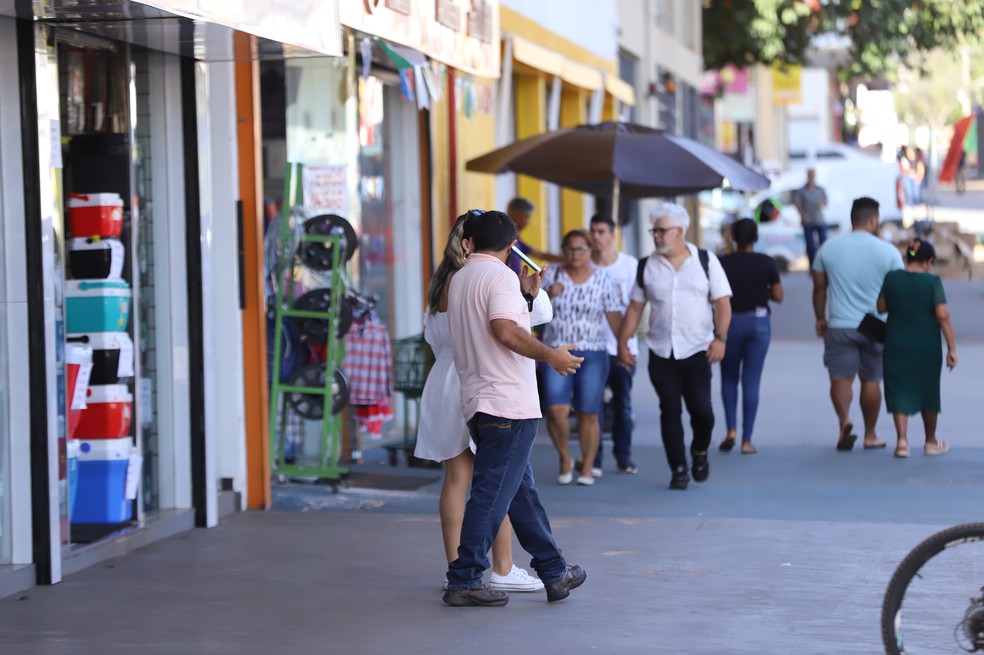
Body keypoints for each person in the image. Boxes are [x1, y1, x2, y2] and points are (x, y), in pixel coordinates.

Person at [443, 209, 585, 607]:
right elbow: (504, 330)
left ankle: (554, 571)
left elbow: (492, 322)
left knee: (521, 494)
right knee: (491, 496)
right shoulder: (500, 277)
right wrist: (551, 355)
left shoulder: (461, 278)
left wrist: (524, 294)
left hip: (481, 401)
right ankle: (464, 578)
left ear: (469, 243)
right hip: (508, 403)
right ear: (511, 246)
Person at [414, 216, 543, 594]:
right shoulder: (492, 278)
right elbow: (525, 321)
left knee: (457, 480)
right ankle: (502, 567)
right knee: (496, 481)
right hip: (481, 377)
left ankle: (455, 567)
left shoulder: (444, 282)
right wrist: (527, 294)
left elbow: (432, 335)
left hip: (443, 381)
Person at [617, 202, 732, 491]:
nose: (656, 235)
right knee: (669, 410)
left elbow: (722, 302)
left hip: (698, 350)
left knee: (702, 411)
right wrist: (623, 342)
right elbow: (635, 308)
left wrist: (720, 338)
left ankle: (699, 451)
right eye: (653, 231)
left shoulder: (705, 260)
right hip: (661, 351)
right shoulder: (646, 265)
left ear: (679, 231)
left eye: (661, 230)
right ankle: (678, 469)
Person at [812, 196, 903, 452]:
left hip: (840, 324)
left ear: (853, 219)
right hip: (877, 326)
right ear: (873, 220)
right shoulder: (889, 252)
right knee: (871, 379)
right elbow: (897, 291)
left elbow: (819, 288)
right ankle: (870, 435)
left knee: (840, 378)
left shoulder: (828, 248)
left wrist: (820, 318)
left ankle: (844, 420)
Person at [542, 229, 623, 486]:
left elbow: (613, 315)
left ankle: (587, 465)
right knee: (555, 410)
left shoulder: (603, 278)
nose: (575, 254)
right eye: (569, 248)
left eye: (580, 248)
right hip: (556, 351)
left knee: (589, 411)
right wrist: (547, 295)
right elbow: (528, 310)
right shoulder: (550, 276)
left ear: (590, 251)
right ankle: (565, 457)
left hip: (593, 353)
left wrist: (624, 347)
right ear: (563, 251)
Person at [877, 239, 957, 458]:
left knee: (898, 388)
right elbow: (943, 315)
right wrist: (951, 348)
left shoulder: (892, 278)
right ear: (929, 261)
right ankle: (930, 442)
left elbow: (881, 307)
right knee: (928, 389)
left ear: (907, 258)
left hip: (896, 342)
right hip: (926, 345)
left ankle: (902, 441)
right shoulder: (933, 282)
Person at [718, 219, 783, 455]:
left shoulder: (722, 263)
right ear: (756, 237)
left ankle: (730, 430)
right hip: (758, 322)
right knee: (751, 380)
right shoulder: (766, 262)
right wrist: (761, 291)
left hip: (730, 323)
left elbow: (714, 295)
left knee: (728, 378)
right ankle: (747, 440)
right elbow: (778, 296)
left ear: (733, 237)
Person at [589, 214, 639, 474]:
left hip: (623, 347)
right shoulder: (584, 265)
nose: (596, 236)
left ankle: (624, 457)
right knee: (592, 406)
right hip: (592, 347)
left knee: (623, 405)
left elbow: (636, 307)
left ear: (612, 235)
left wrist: (626, 343)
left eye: (601, 231)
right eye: (593, 231)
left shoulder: (629, 266)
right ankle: (594, 459)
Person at [504, 197, 563, 275]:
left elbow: (541, 255)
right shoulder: (505, 236)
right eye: (526, 216)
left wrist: (569, 259)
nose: (528, 222)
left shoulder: (516, 238)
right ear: (517, 215)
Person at [793, 167, 828, 267]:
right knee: (810, 245)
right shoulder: (802, 191)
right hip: (808, 221)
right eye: (810, 175)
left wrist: (822, 203)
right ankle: (813, 266)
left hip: (819, 220)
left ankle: (824, 263)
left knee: (823, 243)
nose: (812, 177)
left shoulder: (820, 189)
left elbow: (825, 202)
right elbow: (797, 204)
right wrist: (802, 215)